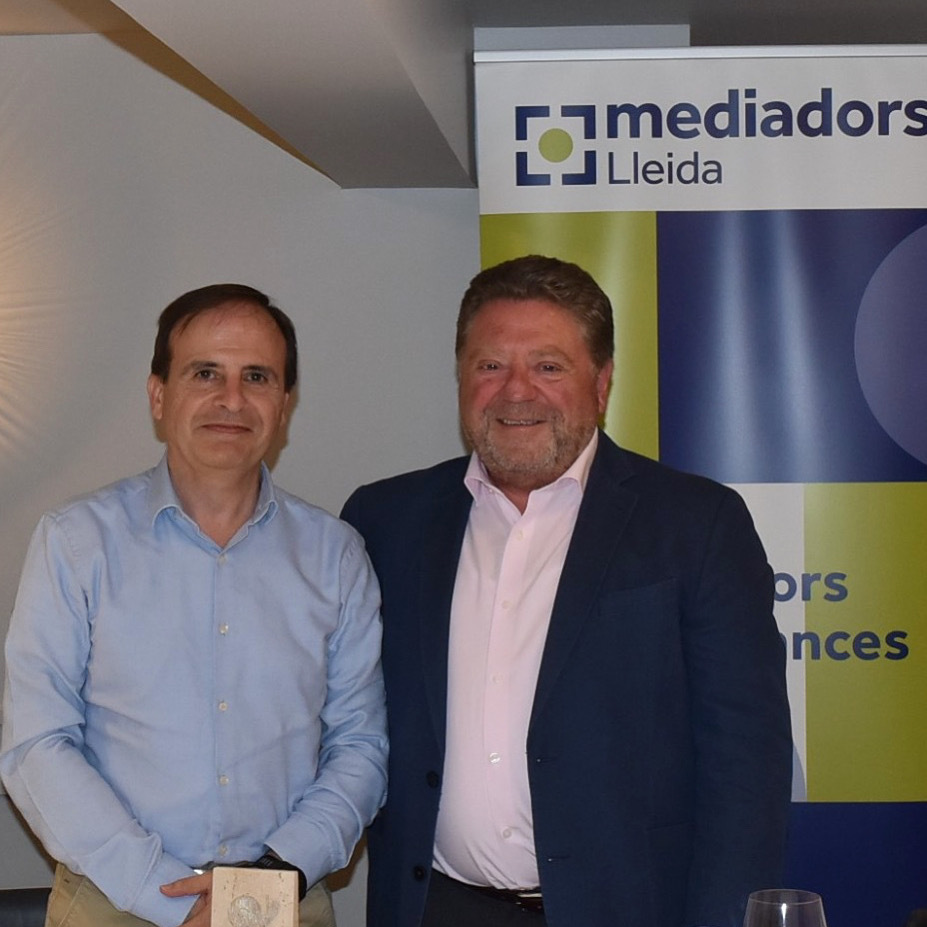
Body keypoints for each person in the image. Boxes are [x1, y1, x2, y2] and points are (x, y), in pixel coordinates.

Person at [340, 255, 792, 927]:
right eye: (491, 365)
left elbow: (745, 766)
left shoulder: (697, 525)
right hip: (436, 907)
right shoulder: (384, 521)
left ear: (601, 383)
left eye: (548, 366)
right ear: (461, 376)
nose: (516, 391)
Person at [1, 284, 388, 927]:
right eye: (205, 372)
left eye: (257, 376)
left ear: (284, 403)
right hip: (114, 900)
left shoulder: (336, 556)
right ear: (159, 395)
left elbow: (361, 746)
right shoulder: (76, 543)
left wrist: (272, 877)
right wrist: (165, 893)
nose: (231, 399)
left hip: (282, 901)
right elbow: (36, 744)